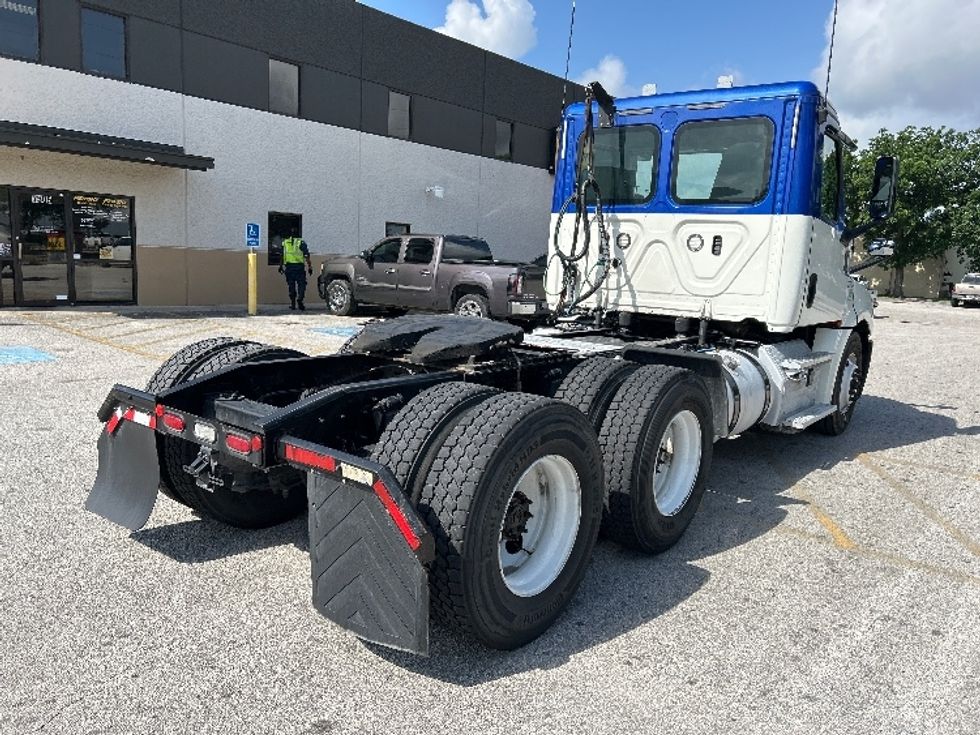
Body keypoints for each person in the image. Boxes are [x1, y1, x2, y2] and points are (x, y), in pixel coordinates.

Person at [278, 229, 313, 310]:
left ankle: (293, 304)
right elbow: (307, 255)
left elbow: (281, 255)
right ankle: (300, 299)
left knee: (291, 286)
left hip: (289, 267)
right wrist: (310, 267)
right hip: (299, 267)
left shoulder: (285, 243)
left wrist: (280, 266)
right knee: (302, 284)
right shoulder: (301, 242)